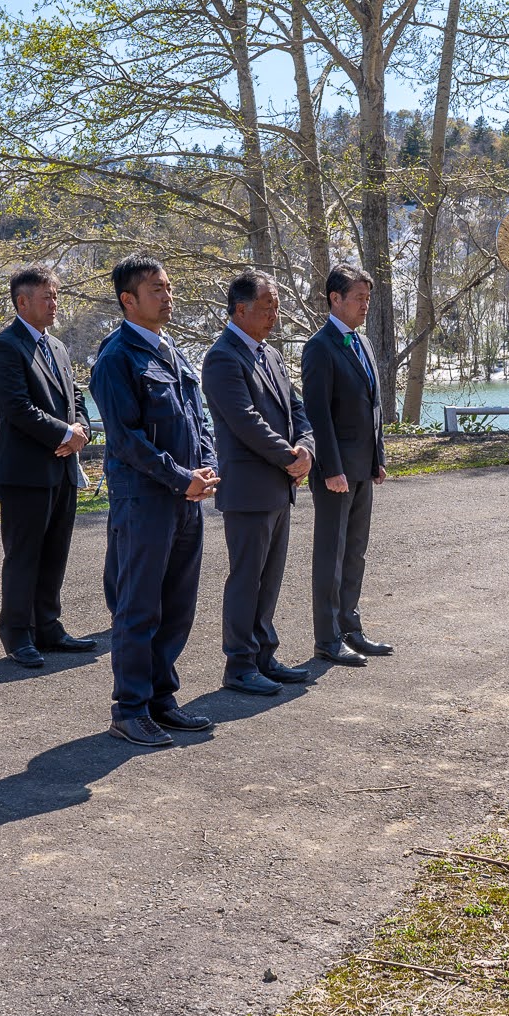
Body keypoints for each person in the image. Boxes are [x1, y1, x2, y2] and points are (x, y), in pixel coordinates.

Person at [91, 255, 219, 746]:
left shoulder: (172, 351)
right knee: (138, 607)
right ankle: (130, 709)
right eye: (156, 290)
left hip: (186, 498)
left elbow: (198, 419)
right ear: (128, 300)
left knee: (177, 605)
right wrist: (181, 477)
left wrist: (206, 468)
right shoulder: (117, 357)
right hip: (144, 500)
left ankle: (161, 700)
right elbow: (126, 439)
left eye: (168, 287)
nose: (168, 296)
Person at [201, 270, 315, 696]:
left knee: (269, 579)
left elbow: (296, 409)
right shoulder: (222, 358)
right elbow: (245, 421)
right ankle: (240, 664)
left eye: (277, 307)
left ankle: (264, 654)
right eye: (267, 307)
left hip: (280, 485)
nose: (274, 315)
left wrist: (306, 448)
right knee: (247, 578)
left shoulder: (270, 354)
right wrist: (291, 458)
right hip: (249, 488)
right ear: (240, 309)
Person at [0, 266, 98, 668]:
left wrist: (81, 429)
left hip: (62, 467)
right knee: (24, 555)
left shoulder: (58, 347)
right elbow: (17, 408)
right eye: (46, 297)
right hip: (26, 472)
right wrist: (64, 433)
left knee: (55, 552)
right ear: (22, 302)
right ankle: (18, 633)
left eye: (55, 296)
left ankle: (48, 626)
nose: (54, 304)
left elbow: (76, 398)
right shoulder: (6, 346)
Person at [300, 263, 391, 667]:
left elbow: (374, 407)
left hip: (361, 468)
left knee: (355, 552)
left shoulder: (363, 343)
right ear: (335, 299)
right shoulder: (319, 347)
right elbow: (318, 415)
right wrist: (331, 468)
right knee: (331, 555)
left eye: (368, 298)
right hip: (335, 472)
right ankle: (327, 638)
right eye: (359, 298)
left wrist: (377, 458)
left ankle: (350, 628)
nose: (365, 305)